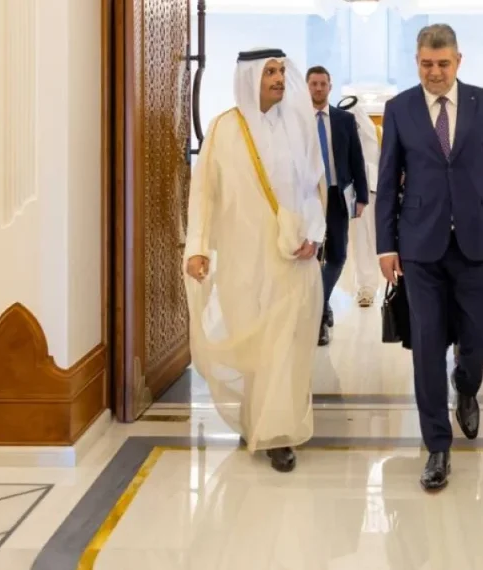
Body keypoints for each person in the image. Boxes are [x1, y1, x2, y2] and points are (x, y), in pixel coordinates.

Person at [376, 24, 483, 491]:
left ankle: (467, 383)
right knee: (426, 347)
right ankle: (437, 446)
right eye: (426, 64)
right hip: (419, 248)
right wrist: (385, 245)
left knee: (480, 336)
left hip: (477, 243)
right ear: (416, 62)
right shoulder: (400, 109)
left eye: (442, 63)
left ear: (458, 61)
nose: (434, 72)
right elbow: (387, 180)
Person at [183, 48, 327, 473]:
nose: (279, 79)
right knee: (255, 343)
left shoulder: (298, 124)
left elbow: (314, 188)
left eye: (281, 71)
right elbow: (204, 193)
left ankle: (280, 434)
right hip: (242, 258)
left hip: (292, 257)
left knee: (285, 344)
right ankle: (257, 421)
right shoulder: (224, 129)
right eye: (270, 72)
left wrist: (314, 235)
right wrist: (197, 247)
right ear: (250, 78)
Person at [306, 66, 369, 345]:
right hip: (308, 198)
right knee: (310, 258)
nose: (319, 88)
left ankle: (321, 303)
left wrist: (362, 196)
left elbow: (357, 158)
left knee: (338, 255)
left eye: (323, 84)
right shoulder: (297, 121)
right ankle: (319, 316)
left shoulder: (345, 120)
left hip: (337, 196)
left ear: (330, 87)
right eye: (314, 84)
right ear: (307, 87)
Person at [337, 95, 382, 307]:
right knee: (357, 242)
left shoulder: (377, 133)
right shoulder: (340, 132)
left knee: (374, 240)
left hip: (374, 193)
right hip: (349, 195)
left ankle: (374, 285)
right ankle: (364, 287)